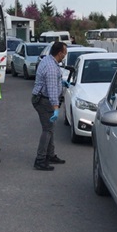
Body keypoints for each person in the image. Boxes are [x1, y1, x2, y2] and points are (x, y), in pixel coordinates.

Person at [31, 41, 68, 171]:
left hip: (41, 97)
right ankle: (40, 159)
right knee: (47, 129)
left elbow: (52, 82)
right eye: (64, 53)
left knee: (50, 128)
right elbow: (52, 90)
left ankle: (50, 155)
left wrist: (62, 83)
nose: (65, 55)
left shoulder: (48, 60)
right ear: (59, 53)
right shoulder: (51, 67)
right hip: (44, 100)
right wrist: (56, 109)